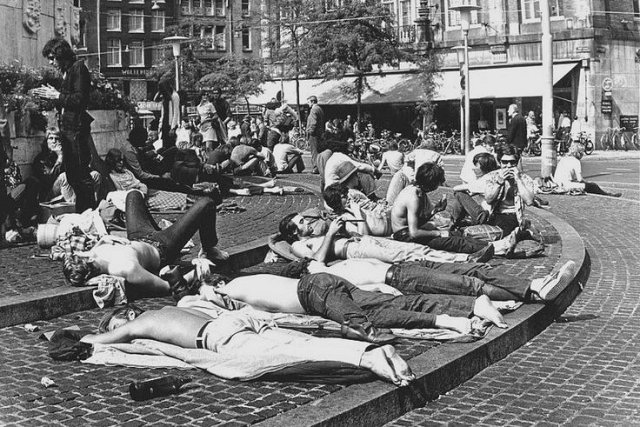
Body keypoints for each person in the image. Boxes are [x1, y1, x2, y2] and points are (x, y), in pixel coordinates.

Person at [80, 305, 416, 387]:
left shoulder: (141, 321)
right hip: (230, 322)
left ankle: (368, 356)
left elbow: (97, 340)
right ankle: (370, 353)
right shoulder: (169, 310)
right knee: (295, 342)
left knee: (285, 355)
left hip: (219, 337)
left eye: (119, 324)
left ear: (126, 316)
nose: (124, 332)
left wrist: (72, 336)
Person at [62, 190, 228, 298]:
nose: (87, 252)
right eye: (85, 255)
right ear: (91, 265)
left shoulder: (93, 255)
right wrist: (194, 272)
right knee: (206, 203)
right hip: (163, 247)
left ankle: (158, 226)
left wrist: (103, 240)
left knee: (133, 195)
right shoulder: (125, 268)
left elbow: (88, 253)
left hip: (138, 235)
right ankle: (209, 247)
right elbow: (166, 287)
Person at [300, 258, 576, 303]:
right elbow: (370, 288)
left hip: (404, 268)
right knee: (471, 285)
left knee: (474, 271)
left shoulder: (330, 266)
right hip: (400, 278)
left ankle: (536, 285)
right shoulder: (329, 276)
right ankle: (535, 291)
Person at [390, 163, 519, 256]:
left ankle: (492, 246)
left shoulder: (418, 190)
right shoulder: (413, 196)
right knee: (454, 241)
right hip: (404, 236)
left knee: (456, 234)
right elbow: (414, 232)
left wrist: (435, 211)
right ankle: (497, 248)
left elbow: (417, 221)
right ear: (431, 182)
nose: (438, 186)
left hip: (408, 232)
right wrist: (438, 233)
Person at [280, 214, 493, 265]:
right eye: (301, 223)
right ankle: (464, 261)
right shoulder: (298, 245)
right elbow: (315, 262)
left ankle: (465, 256)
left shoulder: (315, 234)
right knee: (405, 255)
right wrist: (329, 234)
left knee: (411, 247)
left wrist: (341, 229)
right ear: (293, 232)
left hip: (362, 241)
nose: (306, 223)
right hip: (353, 251)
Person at [36, 38, 96, 213]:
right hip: (69, 131)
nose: (51, 62)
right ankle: (83, 212)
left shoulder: (78, 68)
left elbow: (80, 99)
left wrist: (56, 96)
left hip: (76, 131)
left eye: (53, 57)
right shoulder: (69, 71)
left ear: (62, 56)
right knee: (72, 175)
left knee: (81, 174)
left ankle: (89, 214)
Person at [451, 144, 536, 236]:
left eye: (512, 162)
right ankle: (456, 225)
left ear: (517, 162)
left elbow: (529, 201)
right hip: (495, 216)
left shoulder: (524, 178)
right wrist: (499, 182)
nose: (509, 166)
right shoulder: (492, 176)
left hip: (513, 216)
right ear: (500, 162)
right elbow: (489, 199)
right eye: (505, 162)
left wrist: (518, 179)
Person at [553, 142, 621, 197]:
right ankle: (608, 195)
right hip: (567, 186)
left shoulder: (563, 159)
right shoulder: (576, 161)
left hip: (557, 184)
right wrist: (586, 183)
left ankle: (608, 194)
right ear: (578, 153)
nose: (583, 154)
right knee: (593, 186)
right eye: (582, 152)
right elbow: (580, 179)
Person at [155, 79, 181, 150]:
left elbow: (176, 112)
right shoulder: (165, 96)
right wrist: (159, 92)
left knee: (170, 145)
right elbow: (155, 99)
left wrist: (172, 127)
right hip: (164, 122)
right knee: (164, 145)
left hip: (170, 124)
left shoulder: (174, 96)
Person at [306, 95, 325, 173]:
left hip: (314, 134)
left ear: (312, 101)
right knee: (318, 151)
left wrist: (310, 132)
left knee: (314, 151)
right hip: (319, 133)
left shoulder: (314, 110)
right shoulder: (320, 109)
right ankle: (319, 166)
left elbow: (313, 123)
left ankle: (316, 168)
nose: (308, 104)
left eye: (308, 102)